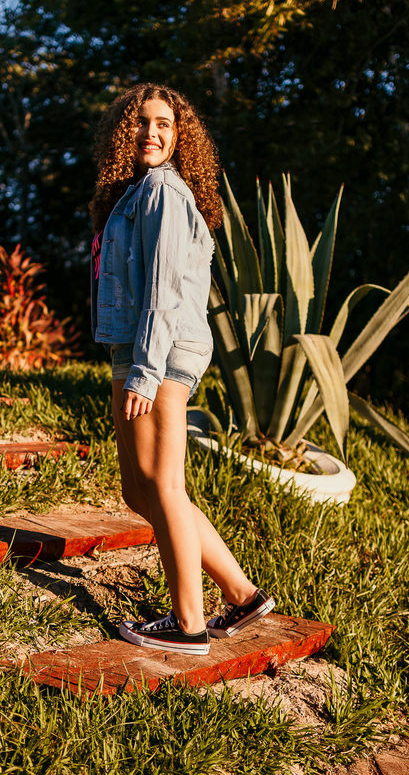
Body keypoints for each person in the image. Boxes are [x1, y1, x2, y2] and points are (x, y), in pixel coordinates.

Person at [89, 83, 274, 656]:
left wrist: (146, 371)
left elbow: (164, 291)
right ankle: (242, 595)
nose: (152, 133)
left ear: (179, 136)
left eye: (164, 124)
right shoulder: (138, 193)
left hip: (161, 353)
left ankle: (188, 624)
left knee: (165, 485)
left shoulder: (165, 193)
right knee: (138, 490)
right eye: (141, 123)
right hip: (136, 349)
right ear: (124, 133)